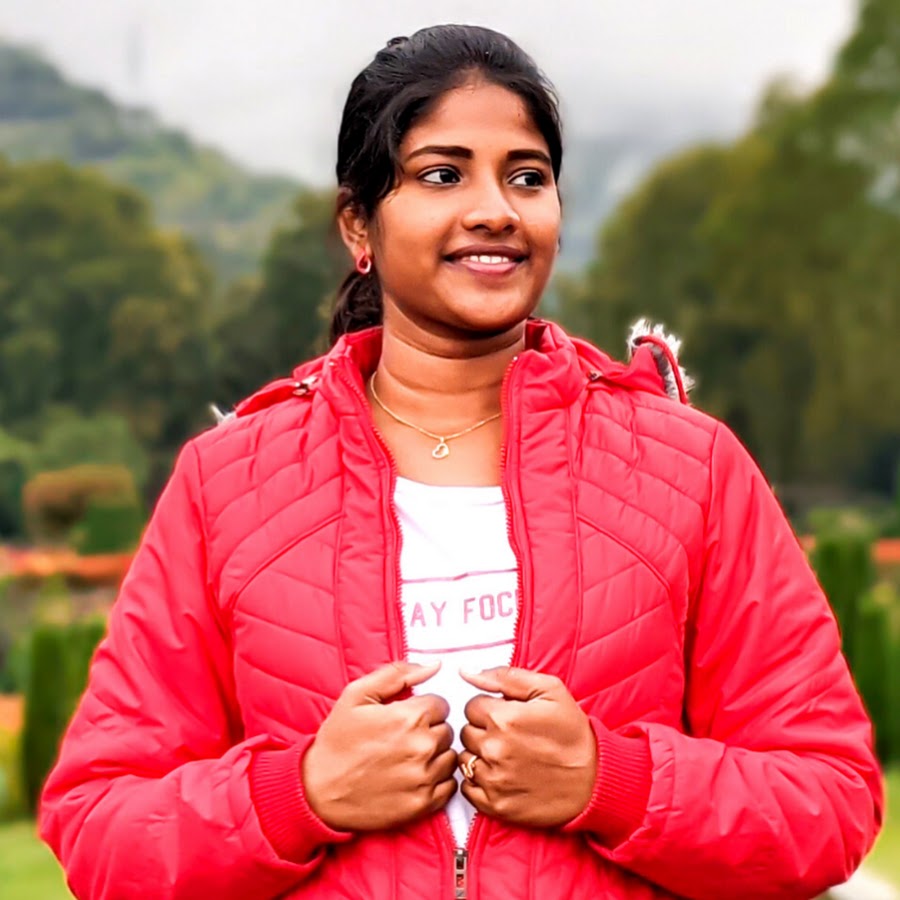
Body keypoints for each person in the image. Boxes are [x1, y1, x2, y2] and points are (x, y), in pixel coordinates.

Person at [40, 24, 882, 900]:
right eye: (443, 174)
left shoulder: (691, 468)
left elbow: (828, 799)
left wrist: (614, 783)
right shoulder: (228, 485)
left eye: (528, 176)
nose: (496, 210)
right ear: (359, 224)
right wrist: (300, 795)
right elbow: (100, 828)